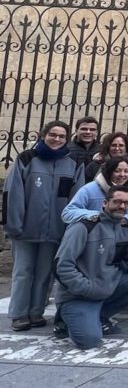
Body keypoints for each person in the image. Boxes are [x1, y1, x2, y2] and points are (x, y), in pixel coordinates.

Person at [52, 185, 128, 349]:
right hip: (78, 294)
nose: (122, 206)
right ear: (104, 203)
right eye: (117, 202)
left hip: (105, 288)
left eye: (126, 203)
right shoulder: (83, 227)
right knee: (89, 341)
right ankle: (64, 317)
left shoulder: (126, 230)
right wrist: (87, 288)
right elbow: (62, 266)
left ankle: (99, 315)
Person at [3, 120, 85, 331]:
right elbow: (13, 194)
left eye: (61, 136)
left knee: (45, 273)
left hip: (56, 230)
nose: (57, 139)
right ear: (43, 135)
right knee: (23, 271)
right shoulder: (26, 159)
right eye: (53, 135)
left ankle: (36, 312)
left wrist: (71, 229)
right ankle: (19, 314)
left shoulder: (73, 163)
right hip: (25, 229)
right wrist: (14, 225)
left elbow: (77, 198)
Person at [63, 157, 128, 226]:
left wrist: (125, 219)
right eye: (117, 171)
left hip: (115, 237)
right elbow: (67, 213)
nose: (122, 175)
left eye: (126, 171)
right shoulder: (89, 189)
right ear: (109, 172)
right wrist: (97, 216)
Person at [85, 131, 128, 202]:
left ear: (126, 147)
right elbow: (86, 187)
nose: (117, 148)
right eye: (113, 145)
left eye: (121, 145)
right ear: (108, 147)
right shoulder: (95, 165)